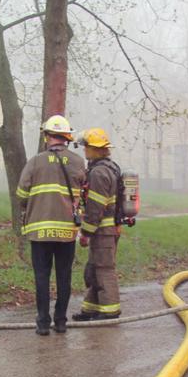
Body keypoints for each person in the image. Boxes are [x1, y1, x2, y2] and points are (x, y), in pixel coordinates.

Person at [16, 115, 87, 335]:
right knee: (64, 276)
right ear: (67, 137)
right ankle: (61, 321)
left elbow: (21, 194)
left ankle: (43, 323)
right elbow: (84, 193)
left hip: (39, 231)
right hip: (66, 231)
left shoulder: (35, 162)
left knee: (42, 277)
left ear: (47, 136)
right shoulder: (78, 162)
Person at [72, 127, 122, 321]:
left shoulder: (99, 173)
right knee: (94, 267)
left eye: (86, 147)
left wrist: (86, 233)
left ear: (95, 149)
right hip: (105, 230)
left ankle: (110, 310)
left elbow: (95, 207)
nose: (84, 150)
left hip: (103, 230)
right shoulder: (109, 167)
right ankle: (91, 309)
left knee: (104, 269)